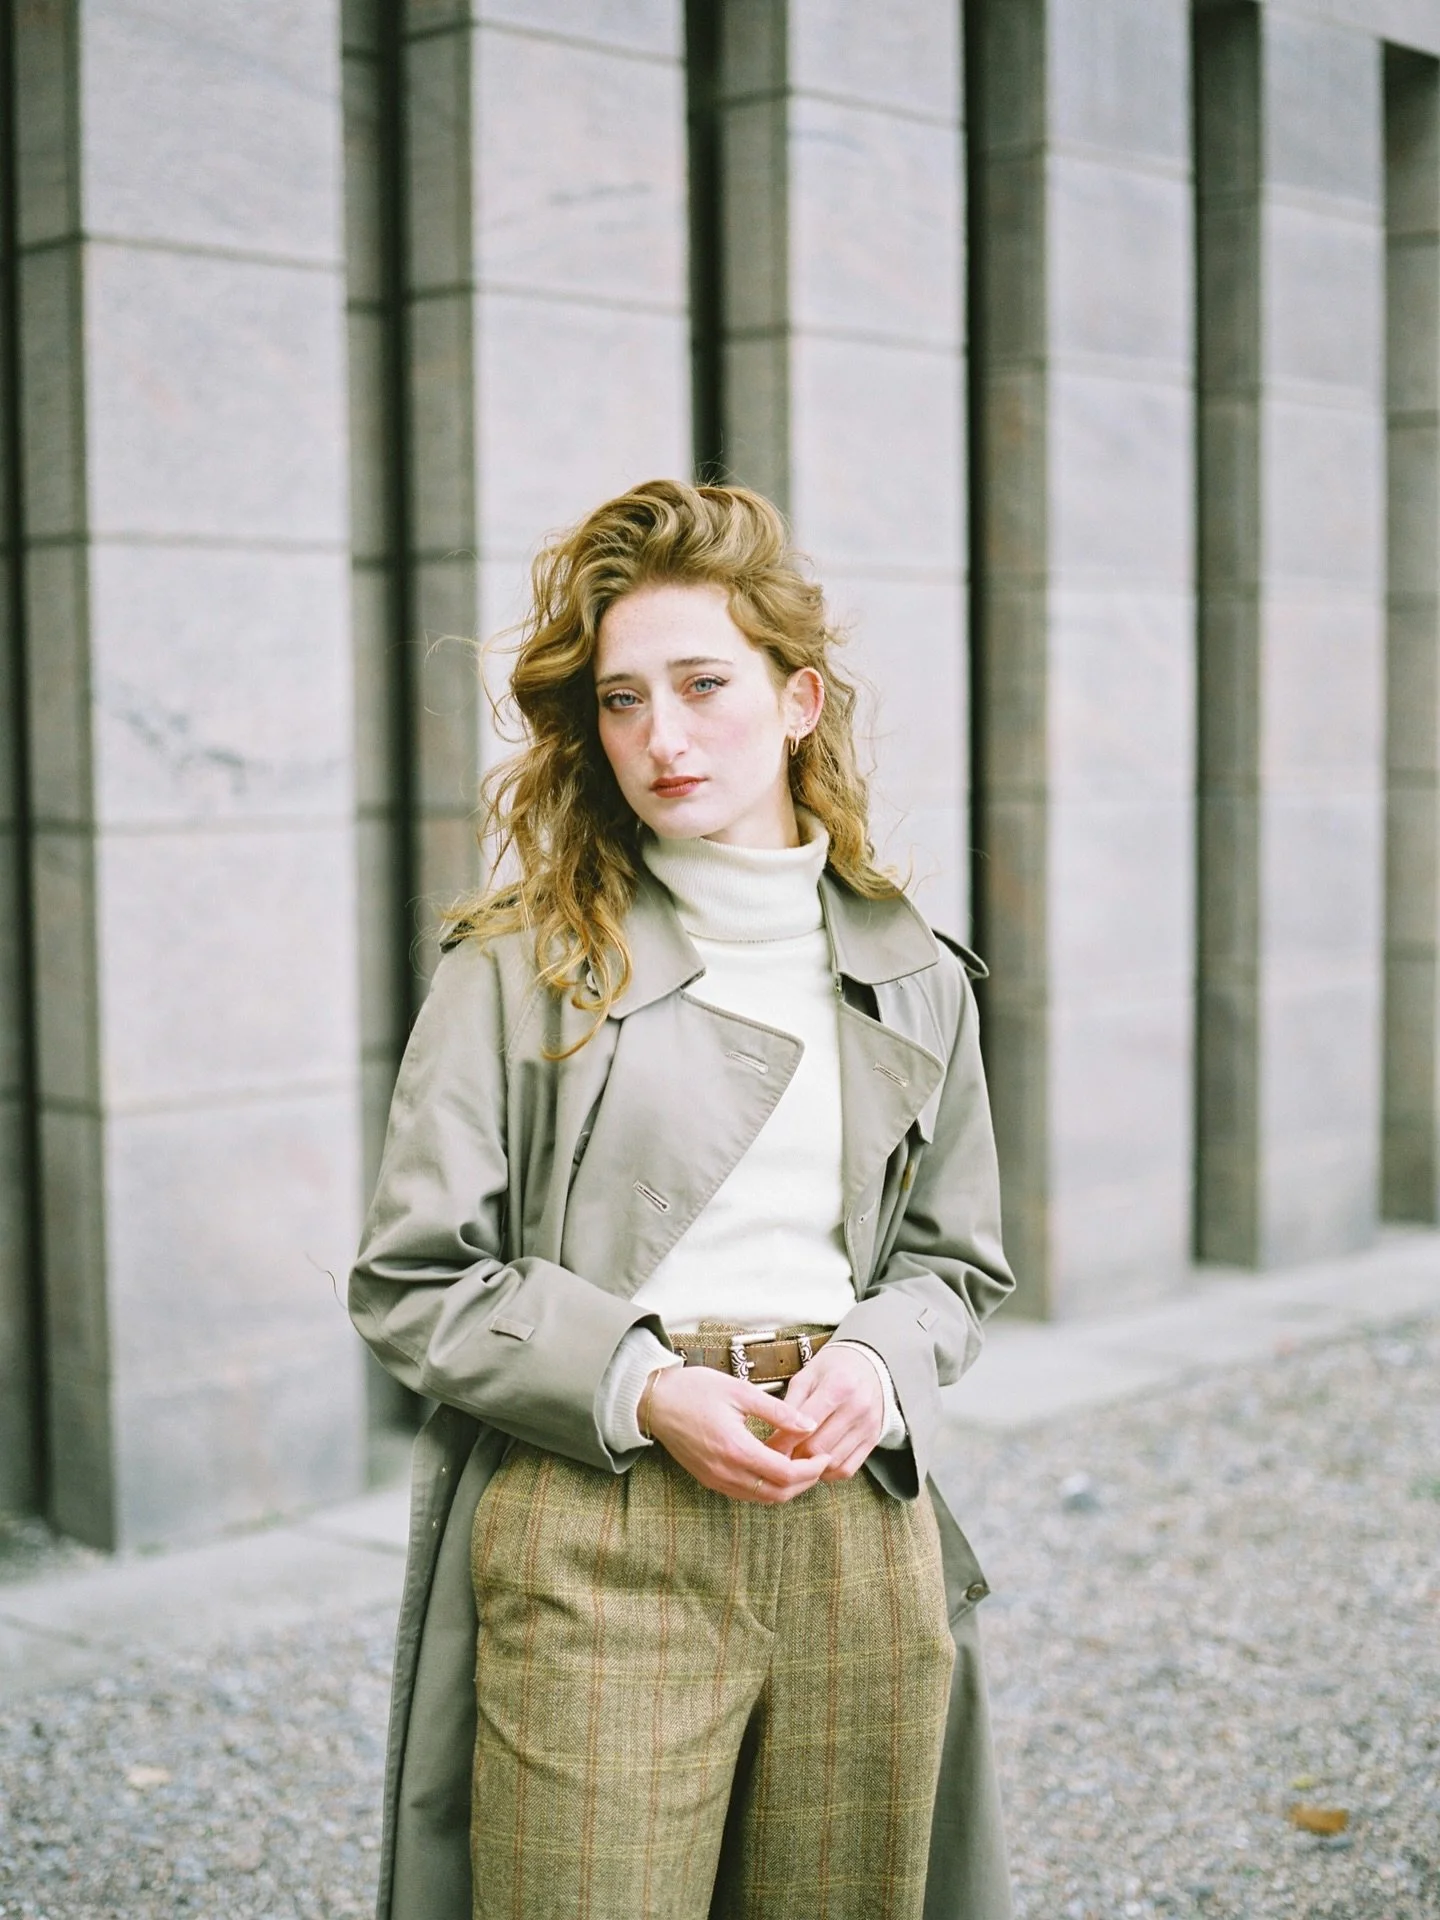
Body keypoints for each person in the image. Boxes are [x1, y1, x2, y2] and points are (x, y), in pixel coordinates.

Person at [350, 478, 1016, 1920]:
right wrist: (645, 1387)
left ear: (796, 701)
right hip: (599, 1530)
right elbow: (413, 1283)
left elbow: (957, 1267)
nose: (661, 736)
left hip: (858, 1529)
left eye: (704, 684)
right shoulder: (517, 967)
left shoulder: (917, 969)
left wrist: (879, 1365)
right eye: (621, 698)